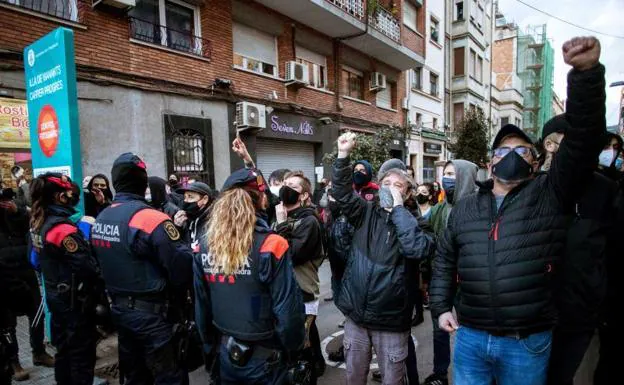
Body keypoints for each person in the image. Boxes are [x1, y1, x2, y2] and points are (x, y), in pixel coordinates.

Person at [430, 36, 606, 385]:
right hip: (470, 337)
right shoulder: (466, 208)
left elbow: (584, 140)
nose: (510, 156)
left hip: (526, 342)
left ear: (537, 161)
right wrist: (440, 307)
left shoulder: (549, 193)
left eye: (521, 150)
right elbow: (444, 259)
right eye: (502, 151)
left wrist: (585, 75)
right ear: (489, 163)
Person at [332, 133, 432, 385]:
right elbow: (342, 194)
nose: (391, 188)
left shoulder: (416, 222)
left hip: (390, 321)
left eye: (398, 185)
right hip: (356, 316)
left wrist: (398, 210)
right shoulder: (365, 211)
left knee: (392, 380)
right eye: (386, 182)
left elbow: (417, 249)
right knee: (354, 376)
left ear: (408, 192)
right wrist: (343, 156)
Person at [194, 165, 305, 385]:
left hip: (225, 352)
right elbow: (287, 310)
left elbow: (201, 304)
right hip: (266, 358)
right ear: (260, 200)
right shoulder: (272, 245)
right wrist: (293, 350)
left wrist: (210, 350)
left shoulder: (204, 244)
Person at [92, 153, 193, 384]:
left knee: (136, 376)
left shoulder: (102, 217)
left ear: (115, 182)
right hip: (153, 317)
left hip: (120, 312)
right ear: (143, 183)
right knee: (169, 376)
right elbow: (181, 268)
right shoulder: (151, 219)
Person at [538, 115, 617, 385]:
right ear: (551, 144)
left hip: (579, 316)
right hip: (532, 316)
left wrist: (600, 304)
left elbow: (611, 253)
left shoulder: (605, 189)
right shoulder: (531, 186)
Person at [29, 173, 101, 385]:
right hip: (73, 303)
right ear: (61, 197)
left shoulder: (38, 223)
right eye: (71, 194)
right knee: (81, 358)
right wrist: (86, 233)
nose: (74, 198)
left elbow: (34, 261)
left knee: (63, 353)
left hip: (55, 298)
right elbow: (87, 268)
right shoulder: (63, 229)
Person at [421, 160, 478, 385]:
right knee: (439, 330)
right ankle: (440, 373)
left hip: (469, 282)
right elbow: (422, 226)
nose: (447, 179)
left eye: (453, 174)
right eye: (445, 174)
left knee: (470, 332)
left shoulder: (478, 205)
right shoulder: (440, 208)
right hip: (443, 278)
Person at [273, 170, 325, 383]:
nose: (287, 188)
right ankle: (318, 363)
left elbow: (292, 253)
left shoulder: (309, 221)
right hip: (283, 288)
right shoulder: (279, 214)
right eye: (285, 184)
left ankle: (309, 373)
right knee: (303, 335)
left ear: (304, 195)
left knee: (301, 343)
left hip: (303, 289)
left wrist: (282, 226)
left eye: (293, 186)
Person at [0, 185, 55, 381]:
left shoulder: (15, 203)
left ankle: (38, 351)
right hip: (3, 272)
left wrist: (17, 212)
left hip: (24, 266)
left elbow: (31, 223)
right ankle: (13, 360)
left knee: (37, 310)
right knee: (7, 321)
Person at [173, 181, 216, 251]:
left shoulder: (214, 221)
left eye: (190, 197)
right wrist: (177, 228)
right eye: (185, 197)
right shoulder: (188, 218)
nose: (186, 201)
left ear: (205, 199)